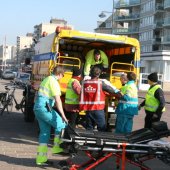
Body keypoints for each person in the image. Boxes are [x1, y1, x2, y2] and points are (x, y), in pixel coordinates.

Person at [33, 66, 68, 166]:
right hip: (45, 108)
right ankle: (57, 148)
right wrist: (63, 115)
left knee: (45, 133)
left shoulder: (46, 79)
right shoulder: (54, 82)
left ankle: (41, 159)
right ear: (60, 74)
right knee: (61, 124)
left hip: (38, 108)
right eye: (63, 75)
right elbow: (58, 100)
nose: (62, 77)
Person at [80, 66, 121, 131]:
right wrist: (120, 93)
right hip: (98, 110)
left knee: (89, 129)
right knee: (102, 128)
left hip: (88, 109)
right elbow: (112, 90)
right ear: (99, 74)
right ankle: (100, 141)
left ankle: (89, 140)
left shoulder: (84, 83)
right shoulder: (101, 83)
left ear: (90, 73)